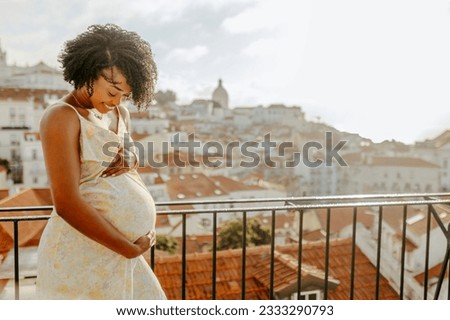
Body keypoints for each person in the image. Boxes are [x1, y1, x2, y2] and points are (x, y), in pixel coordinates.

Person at [36, 24, 166, 299]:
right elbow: (66, 202)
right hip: (81, 255)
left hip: (120, 252)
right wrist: (128, 248)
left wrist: (132, 159)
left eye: (125, 95)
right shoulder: (62, 117)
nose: (117, 101)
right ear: (88, 72)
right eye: (112, 91)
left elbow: (123, 169)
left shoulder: (120, 114)